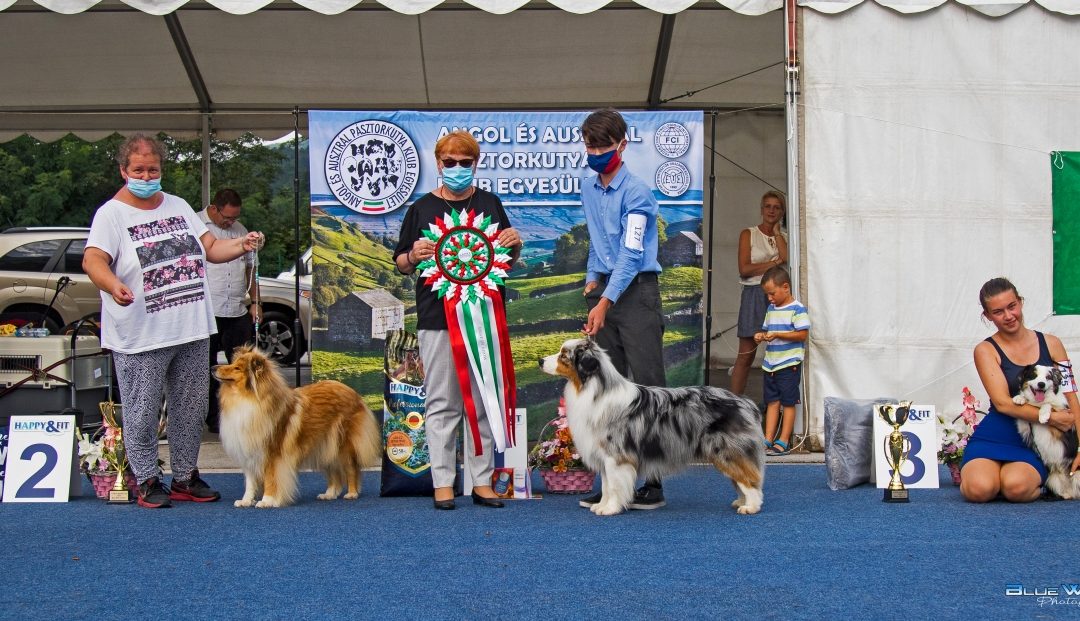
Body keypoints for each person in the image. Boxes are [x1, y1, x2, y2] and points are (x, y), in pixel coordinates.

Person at [83, 134, 264, 509]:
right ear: (124, 170)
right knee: (143, 409)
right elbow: (93, 260)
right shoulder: (111, 214)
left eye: (153, 169)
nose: (147, 175)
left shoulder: (178, 205)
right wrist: (113, 284)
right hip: (141, 332)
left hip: (191, 326)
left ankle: (184, 475)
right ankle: (147, 477)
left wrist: (242, 245)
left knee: (191, 407)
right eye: (139, 169)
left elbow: (212, 249)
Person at [393, 130, 523, 511]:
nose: (457, 168)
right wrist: (414, 255)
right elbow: (400, 262)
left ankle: (481, 482)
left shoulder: (490, 204)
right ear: (438, 163)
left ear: (475, 164)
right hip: (436, 318)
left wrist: (515, 246)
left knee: (483, 401)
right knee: (442, 402)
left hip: (484, 316)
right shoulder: (421, 209)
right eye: (450, 162)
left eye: (465, 163)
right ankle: (443, 482)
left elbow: (505, 263)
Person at [578, 108, 667, 510]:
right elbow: (599, 241)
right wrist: (592, 275)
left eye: (602, 145)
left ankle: (654, 482)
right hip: (607, 292)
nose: (595, 152)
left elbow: (631, 256)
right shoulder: (588, 186)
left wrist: (606, 301)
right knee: (606, 390)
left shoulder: (637, 193)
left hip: (637, 295)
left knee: (648, 387)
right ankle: (613, 479)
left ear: (622, 145)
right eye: (590, 145)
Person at [960, 277, 1079, 502]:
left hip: (1035, 443)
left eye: (1012, 306)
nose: (1008, 316)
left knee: (1017, 489)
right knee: (980, 490)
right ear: (987, 316)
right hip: (994, 436)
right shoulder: (985, 350)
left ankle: (1013, 480)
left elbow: (1072, 397)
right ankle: (984, 475)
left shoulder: (1052, 343)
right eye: (998, 312)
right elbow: (1003, 403)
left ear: (1020, 302)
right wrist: (1052, 418)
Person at [198, 188, 259, 433]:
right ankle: (213, 419)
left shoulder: (241, 231)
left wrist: (256, 302)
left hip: (236, 307)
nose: (230, 222)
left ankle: (241, 415)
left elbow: (251, 270)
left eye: (234, 217)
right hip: (208, 309)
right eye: (226, 217)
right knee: (207, 367)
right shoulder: (197, 225)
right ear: (214, 208)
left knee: (244, 364)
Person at [731, 191, 788, 395]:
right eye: (768, 206)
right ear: (761, 209)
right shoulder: (749, 233)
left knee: (779, 352)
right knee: (746, 353)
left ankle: (776, 404)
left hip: (779, 298)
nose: (772, 210)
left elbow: (786, 257)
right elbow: (744, 269)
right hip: (754, 293)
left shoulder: (785, 237)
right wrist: (774, 263)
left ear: (782, 212)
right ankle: (733, 403)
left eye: (777, 207)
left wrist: (777, 233)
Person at [754, 266, 809, 456]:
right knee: (771, 402)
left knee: (788, 402)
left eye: (772, 293)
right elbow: (767, 330)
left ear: (785, 287)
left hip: (788, 363)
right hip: (770, 363)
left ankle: (783, 440)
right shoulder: (771, 308)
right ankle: (767, 438)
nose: (770, 298)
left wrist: (778, 334)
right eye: (767, 295)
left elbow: (802, 335)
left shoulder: (797, 309)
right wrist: (760, 336)